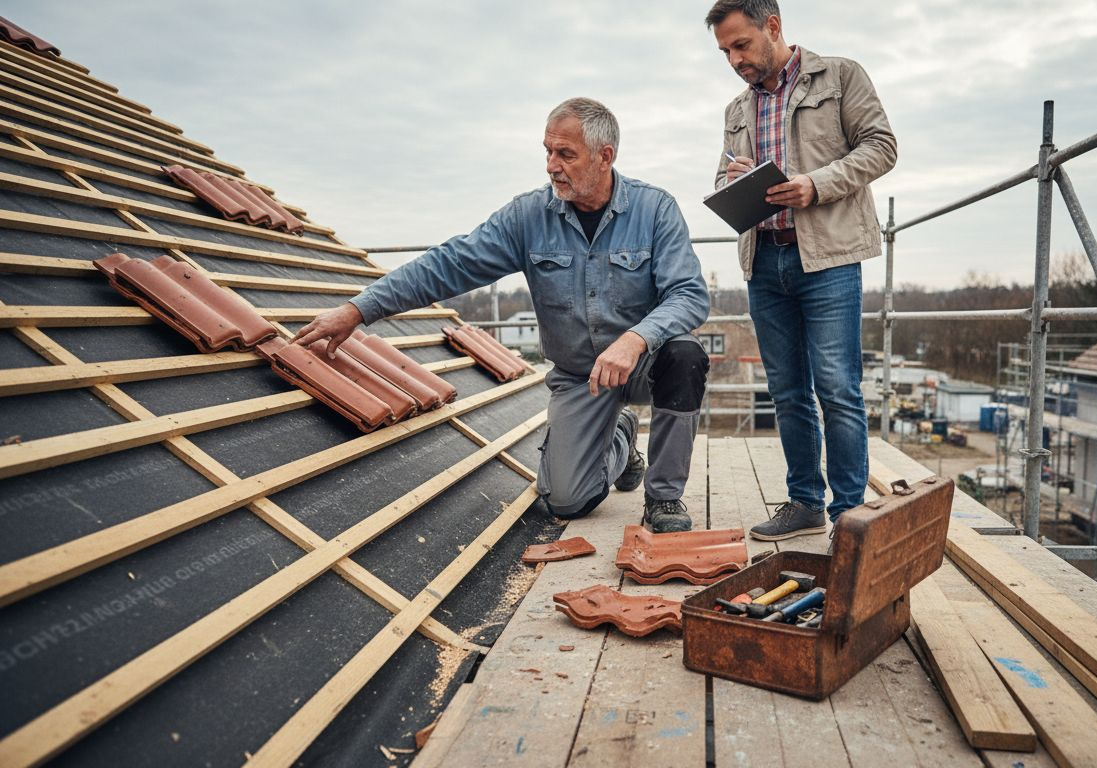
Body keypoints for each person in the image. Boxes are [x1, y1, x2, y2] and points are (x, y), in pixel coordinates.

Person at [294, 98, 710, 533]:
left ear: (605, 156)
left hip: (644, 363)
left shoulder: (655, 210)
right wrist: (358, 309)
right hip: (579, 375)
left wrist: (635, 339)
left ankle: (664, 497)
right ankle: (621, 436)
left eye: (565, 154)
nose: (552, 166)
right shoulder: (529, 216)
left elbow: (690, 294)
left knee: (686, 355)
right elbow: (449, 264)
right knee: (566, 502)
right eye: (547, 151)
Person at [705, 0, 896, 541]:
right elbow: (724, 175)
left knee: (838, 389)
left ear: (773, 25)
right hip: (764, 260)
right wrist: (733, 181)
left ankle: (850, 517)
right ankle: (806, 502)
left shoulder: (839, 76)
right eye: (725, 52)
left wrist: (815, 183)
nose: (735, 60)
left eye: (741, 45)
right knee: (787, 392)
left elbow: (882, 147)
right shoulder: (736, 109)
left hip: (828, 258)